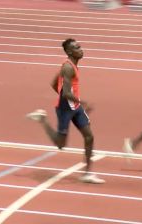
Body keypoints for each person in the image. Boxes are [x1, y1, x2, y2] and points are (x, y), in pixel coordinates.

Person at [26, 38, 105, 184]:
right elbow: (67, 92)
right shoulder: (68, 68)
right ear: (69, 51)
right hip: (65, 108)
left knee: (89, 137)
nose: (81, 49)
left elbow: (54, 83)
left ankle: (87, 174)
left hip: (74, 106)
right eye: (77, 48)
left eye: (80, 46)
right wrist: (81, 102)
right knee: (61, 145)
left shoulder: (71, 66)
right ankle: (42, 119)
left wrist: (74, 101)